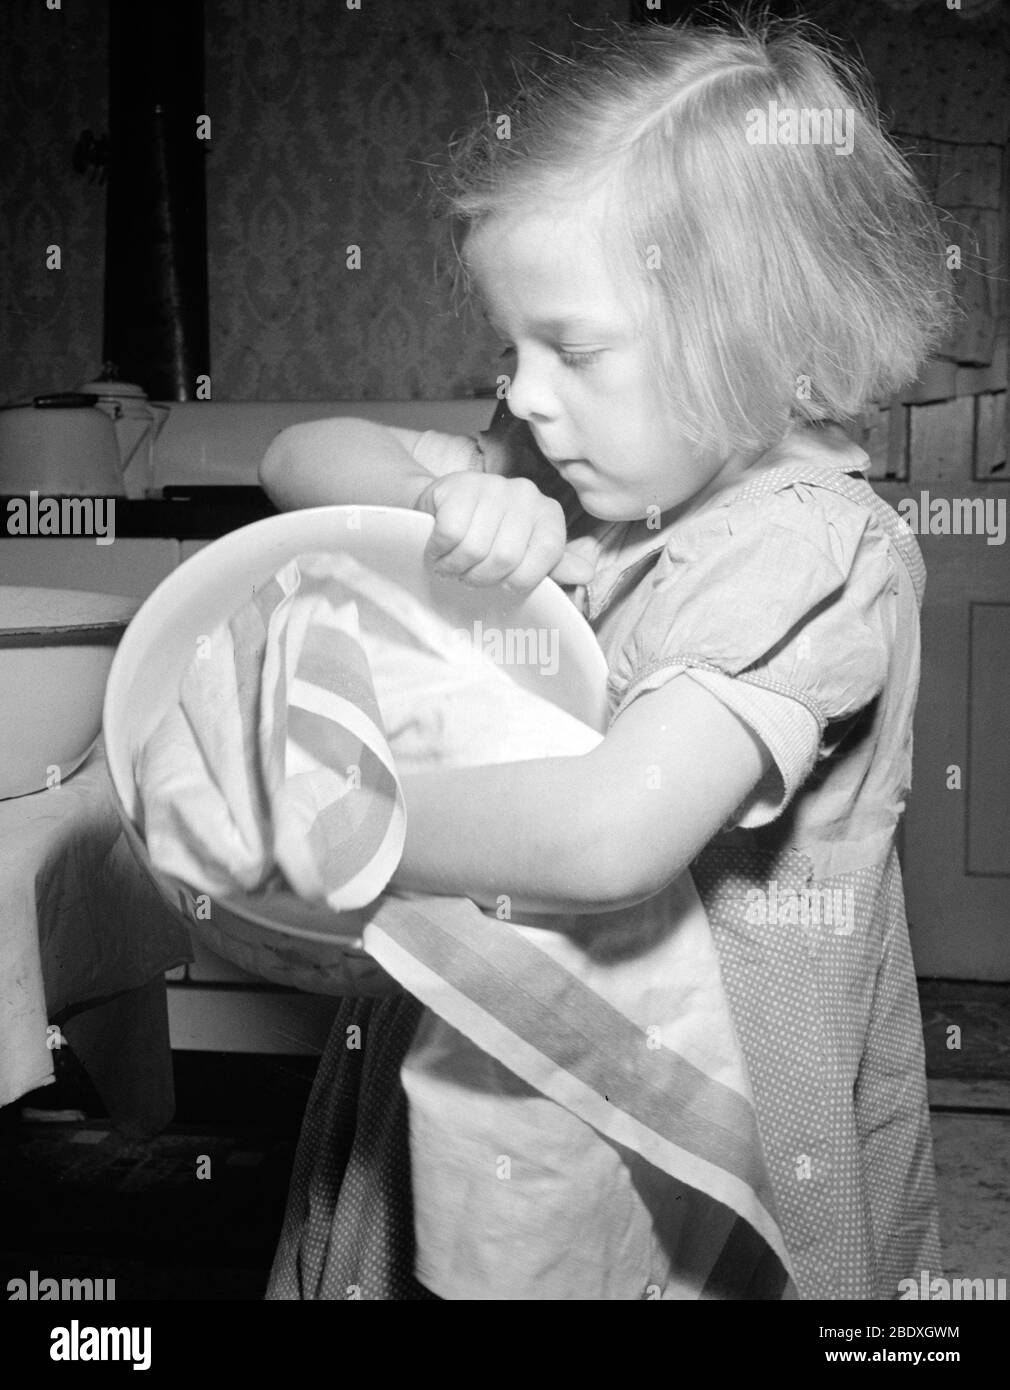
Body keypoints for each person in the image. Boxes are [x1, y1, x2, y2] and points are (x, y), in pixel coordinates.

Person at [259, 14, 954, 1300]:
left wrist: (336, 821)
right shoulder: (579, 462)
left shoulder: (804, 554)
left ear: (760, 337)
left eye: (569, 350)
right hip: (499, 1032)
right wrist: (438, 500)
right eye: (507, 351)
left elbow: (603, 838)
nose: (522, 394)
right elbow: (294, 461)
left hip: (691, 1102)